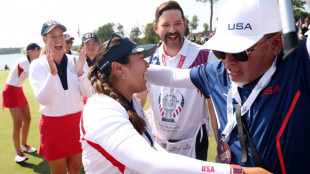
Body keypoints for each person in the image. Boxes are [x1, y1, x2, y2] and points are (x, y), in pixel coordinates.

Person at [144, 0, 310, 173]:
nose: (228, 62)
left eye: (240, 52)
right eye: (220, 52)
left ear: (275, 43)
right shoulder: (217, 73)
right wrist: (125, 65)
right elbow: (171, 76)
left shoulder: (299, 64)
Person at [80, 32, 270, 174]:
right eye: (140, 58)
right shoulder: (101, 110)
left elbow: (155, 151)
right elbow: (151, 162)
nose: (147, 64)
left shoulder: (126, 102)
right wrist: (235, 172)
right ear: (118, 69)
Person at [135, 0, 218, 160]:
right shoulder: (148, 59)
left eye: (177, 23)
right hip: (158, 144)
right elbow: (140, 96)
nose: (172, 30)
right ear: (156, 28)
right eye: (166, 25)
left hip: (194, 143)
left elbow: (213, 105)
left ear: (185, 24)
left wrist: (221, 144)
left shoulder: (205, 55)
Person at [29, 20, 92, 173]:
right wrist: (52, 74)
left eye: (61, 35)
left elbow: (89, 93)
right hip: (53, 125)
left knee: (76, 169)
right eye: (52, 36)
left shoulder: (76, 60)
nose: (58, 40)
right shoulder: (37, 65)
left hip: (77, 123)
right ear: (44, 40)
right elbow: (43, 99)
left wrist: (80, 74)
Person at [2, 43, 41, 162]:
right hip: (11, 90)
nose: (38, 52)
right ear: (29, 52)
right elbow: (35, 76)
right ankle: (18, 153)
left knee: (27, 118)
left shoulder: (33, 62)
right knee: (17, 123)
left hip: (18, 90)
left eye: (39, 49)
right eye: (36, 50)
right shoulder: (24, 61)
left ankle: (23, 146)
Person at [80, 32, 100, 103]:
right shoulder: (78, 63)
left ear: (98, 44)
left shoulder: (104, 61)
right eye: (87, 44)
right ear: (83, 46)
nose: (91, 47)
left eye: (94, 44)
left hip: (102, 99)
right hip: (84, 101)